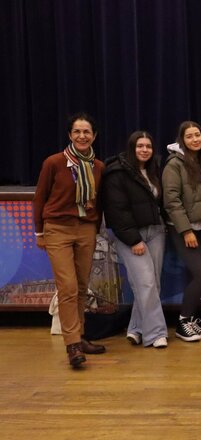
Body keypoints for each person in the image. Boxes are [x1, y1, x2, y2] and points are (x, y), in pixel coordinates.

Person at [33, 112, 107, 367]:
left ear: (94, 136)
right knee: (67, 286)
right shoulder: (54, 163)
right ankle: (72, 345)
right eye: (77, 131)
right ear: (69, 135)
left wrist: (95, 227)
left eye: (87, 132)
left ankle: (80, 335)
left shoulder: (98, 166)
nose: (82, 136)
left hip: (85, 228)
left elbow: (99, 201)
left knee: (82, 286)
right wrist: (39, 232)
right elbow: (40, 198)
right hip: (57, 229)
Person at [102, 131, 168, 349]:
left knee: (152, 284)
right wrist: (134, 240)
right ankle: (156, 334)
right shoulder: (116, 172)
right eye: (140, 146)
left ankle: (136, 328)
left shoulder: (154, 169)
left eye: (148, 146)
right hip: (131, 237)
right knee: (145, 283)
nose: (145, 150)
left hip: (156, 232)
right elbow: (117, 211)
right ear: (132, 147)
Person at [163, 121, 201, 342]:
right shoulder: (174, 164)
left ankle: (191, 320)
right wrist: (185, 231)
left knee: (196, 276)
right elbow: (172, 201)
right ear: (181, 140)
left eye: (198, 135)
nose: (195, 139)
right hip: (186, 230)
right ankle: (183, 321)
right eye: (190, 136)